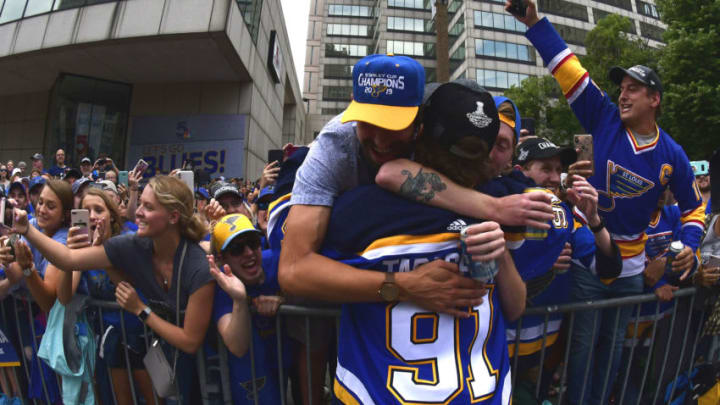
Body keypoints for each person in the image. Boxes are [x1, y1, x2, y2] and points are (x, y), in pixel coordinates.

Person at [508, 1, 705, 403]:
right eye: (621, 88)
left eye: (633, 89)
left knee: (613, 348)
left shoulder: (674, 155)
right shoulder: (603, 117)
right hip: (589, 257)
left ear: (655, 99)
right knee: (582, 346)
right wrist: (533, 20)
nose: (622, 95)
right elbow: (569, 70)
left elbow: (695, 208)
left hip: (634, 269)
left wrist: (686, 248)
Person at [317, 82, 523, 404]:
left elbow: (297, 276)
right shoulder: (504, 203)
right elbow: (516, 307)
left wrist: (394, 286)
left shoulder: (359, 211)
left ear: (419, 134)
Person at [10, 175, 215, 403]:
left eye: (148, 207)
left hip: (198, 364)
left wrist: (140, 310)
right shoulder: (132, 245)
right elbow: (67, 259)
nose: (136, 212)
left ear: (173, 216)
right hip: (151, 350)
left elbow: (190, 340)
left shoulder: (197, 267)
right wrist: (27, 229)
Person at [56, 187, 157, 405]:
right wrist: (68, 258)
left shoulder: (129, 241)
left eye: (98, 210)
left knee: (153, 398)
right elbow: (64, 297)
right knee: (120, 399)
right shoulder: (82, 250)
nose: (92, 216)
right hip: (109, 339)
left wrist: (102, 253)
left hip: (141, 334)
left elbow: (127, 287)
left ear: (111, 216)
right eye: (86, 211)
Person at [208, 214, 289, 404]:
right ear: (222, 258)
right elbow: (237, 346)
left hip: (286, 362)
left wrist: (284, 300)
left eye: (253, 243)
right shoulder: (222, 287)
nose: (249, 253)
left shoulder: (277, 261)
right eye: (237, 249)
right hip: (252, 376)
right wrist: (239, 299)